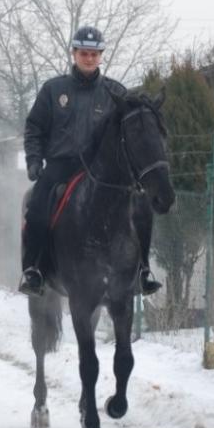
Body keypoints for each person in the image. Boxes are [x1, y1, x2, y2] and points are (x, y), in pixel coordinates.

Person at [18, 25, 161, 297]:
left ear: (101, 56)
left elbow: (131, 131)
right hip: (61, 166)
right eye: (84, 53)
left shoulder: (115, 93)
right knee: (37, 205)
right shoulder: (53, 90)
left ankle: (143, 270)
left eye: (95, 54)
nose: (89, 58)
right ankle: (33, 270)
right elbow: (34, 128)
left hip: (104, 171)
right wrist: (34, 160)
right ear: (74, 53)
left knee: (141, 206)